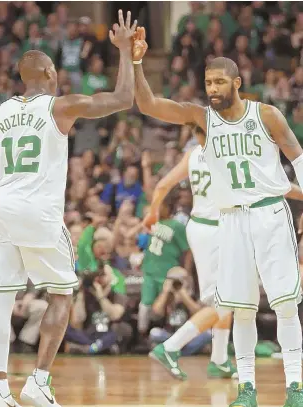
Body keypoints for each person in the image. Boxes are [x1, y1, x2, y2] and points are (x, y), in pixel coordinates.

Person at [0, 10, 137, 407]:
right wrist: (127, 53)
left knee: (2, 299)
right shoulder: (59, 106)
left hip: (0, 208)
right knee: (62, 292)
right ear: (46, 72)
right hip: (37, 210)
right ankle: (38, 381)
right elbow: (123, 99)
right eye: (55, 71)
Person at [133, 27, 303, 406]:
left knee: (285, 304)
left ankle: (295, 386)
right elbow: (148, 105)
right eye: (208, 82)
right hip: (230, 222)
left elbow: (298, 157)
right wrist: (137, 61)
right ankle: (246, 388)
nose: (212, 88)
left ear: (237, 82)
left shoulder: (267, 115)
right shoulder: (202, 119)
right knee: (240, 309)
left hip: (270, 214)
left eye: (219, 81)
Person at [146, 124, 303, 381]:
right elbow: (279, 186)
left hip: (198, 227)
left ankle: (219, 360)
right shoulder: (230, 153)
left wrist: (152, 212)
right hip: (220, 229)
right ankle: (171, 346)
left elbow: (163, 185)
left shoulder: (193, 153)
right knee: (228, 299)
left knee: (227, 297)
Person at [138, 198, 190, 340]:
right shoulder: (153, 223)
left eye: (160, 206)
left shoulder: (177, 226)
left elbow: (187, 250)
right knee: (145, 305)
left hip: (168, 272)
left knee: (167, 306)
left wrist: (186, 270)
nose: (157, 209)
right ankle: (141, 338)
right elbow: (150, 246)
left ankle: (168, 335)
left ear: (168, 207)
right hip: (149, 270)